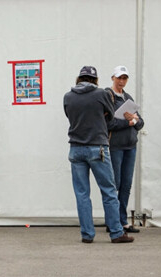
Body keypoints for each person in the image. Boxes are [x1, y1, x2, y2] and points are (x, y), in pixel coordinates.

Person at [63, 66, 134, 244]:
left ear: (79, 78)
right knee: (108, 191)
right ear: (95, 80)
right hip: (97, 147)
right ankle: (117, 232)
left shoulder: (68, 96)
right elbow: (111, 119)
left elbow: (69, 116)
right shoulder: (101, 94)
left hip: (76, 148)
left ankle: (87, 234)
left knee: (82, 194)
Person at [106, 65, 144, 233]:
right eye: (119, 77)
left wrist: (134, 121)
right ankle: (112, 221)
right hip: (115, 146)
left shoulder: (128, 97)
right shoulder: (108, 96)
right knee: (115, 183)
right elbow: (108, 123)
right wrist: (127, 122)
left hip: (130, 146)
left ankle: (122, 219)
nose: (122, 81)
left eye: (124, 78)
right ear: (113, 78)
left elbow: (141, 123)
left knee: (126, 184)